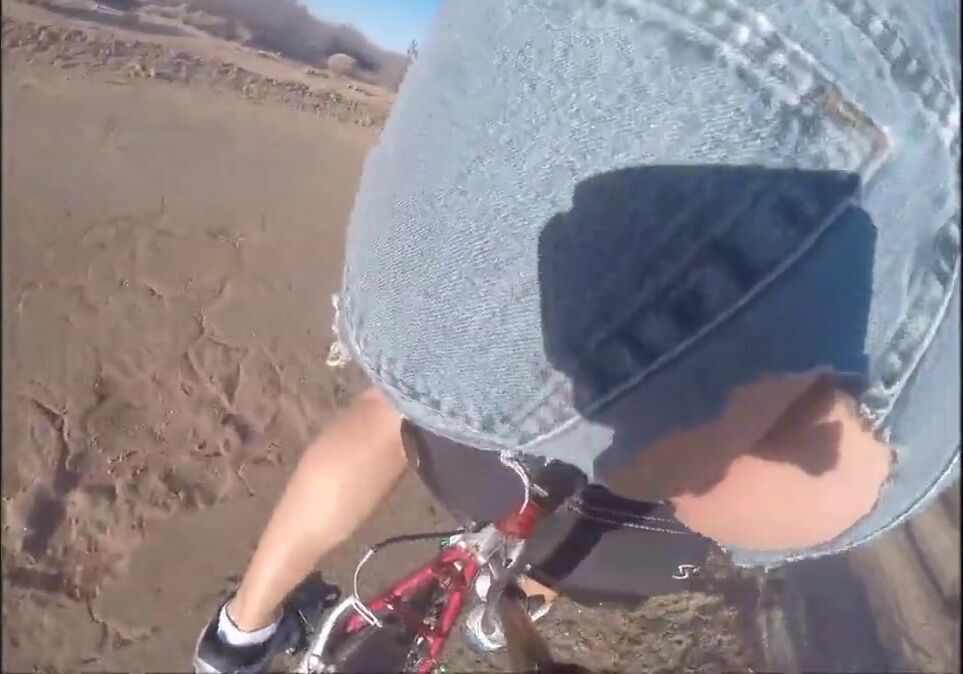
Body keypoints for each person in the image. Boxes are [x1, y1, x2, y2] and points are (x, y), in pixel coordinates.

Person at [193, 2, 961, 672]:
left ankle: (238, 635)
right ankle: (525, 588)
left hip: (443, 315)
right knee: (665, 493)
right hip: (647, 527)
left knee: (392, 404)